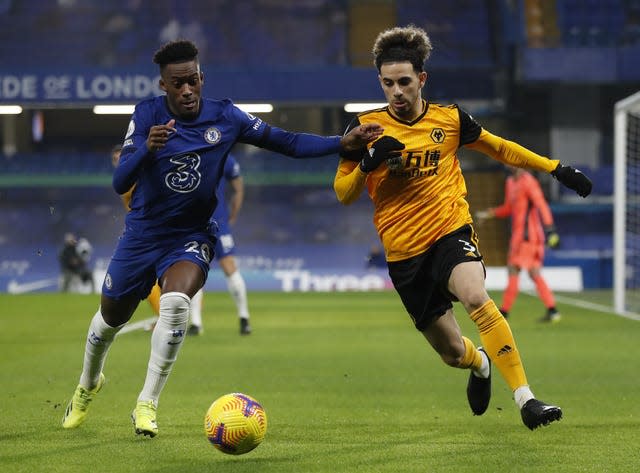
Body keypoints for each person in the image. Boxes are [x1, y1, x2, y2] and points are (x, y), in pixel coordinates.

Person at [61, 39, 383, 438]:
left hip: (191, 236)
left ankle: (146, 403)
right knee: (109, 321)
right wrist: (147, 148)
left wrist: (341, 143)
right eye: (177, 84)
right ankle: (89, 384)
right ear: (164, 86)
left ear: (202, 78)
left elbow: (286, 141)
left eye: (193, 81)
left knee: (176, 304)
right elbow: (119, 181)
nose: (187, 90)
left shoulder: (226, 116)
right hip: (142, 235)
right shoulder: (146, 115)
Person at [333, 25, 592, 430]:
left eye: (404, 82)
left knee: (474, 295)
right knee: (452, 353)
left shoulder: (450, 120)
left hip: (449, 230)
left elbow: (501, 147)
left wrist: (556, 169)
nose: (397, 92)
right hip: (404, 254)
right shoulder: (363, 128)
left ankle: (526, 399)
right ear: (380, 83)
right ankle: (480, 362)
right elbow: (344, 193)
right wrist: (369, 162)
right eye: (388, 84)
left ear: (422, 79)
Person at [476, 166, 561, 323]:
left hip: (528, 236)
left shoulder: (528, 182)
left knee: (513, 269)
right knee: (534, 273)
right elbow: (509, 208)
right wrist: (490, 213)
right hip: (521, 236)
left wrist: (550, 229)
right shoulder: (510, 182)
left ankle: (504, 312)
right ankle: (553, 310)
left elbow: (541, 204)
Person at [187, 153, 252, 337]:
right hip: (194, 225)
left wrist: (232, 216)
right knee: (194, 271)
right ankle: (196, 323)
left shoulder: (224, 155)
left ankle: (244, 318)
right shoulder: (188, 154)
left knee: (229, 267)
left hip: (218, 224)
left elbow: (238, 187)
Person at [111, 144, 161, 317]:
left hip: (150, 229)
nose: (119, 162)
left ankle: (164, 317)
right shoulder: (123, 179)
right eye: (115, 159)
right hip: (141, 230)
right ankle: (164, 317)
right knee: (151, 277)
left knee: (146, 276)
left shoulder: (133, 176)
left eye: (121, 158)